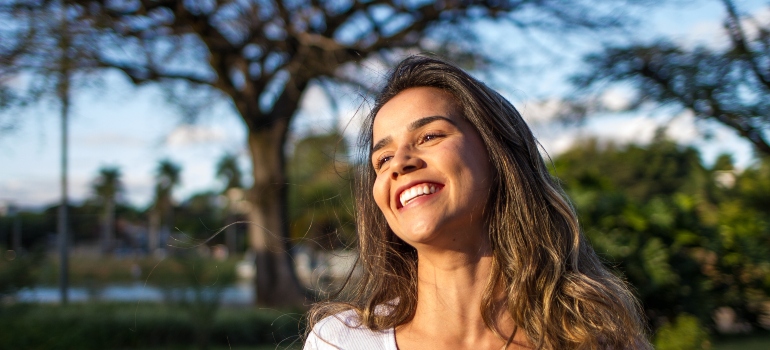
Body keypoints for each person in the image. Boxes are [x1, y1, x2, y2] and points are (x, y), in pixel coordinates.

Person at [304, 55, 651, 349]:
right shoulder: (337, 342)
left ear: (498, 155)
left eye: (429, 136)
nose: (400, 163)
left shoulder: (594, 339)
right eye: (382, 159)